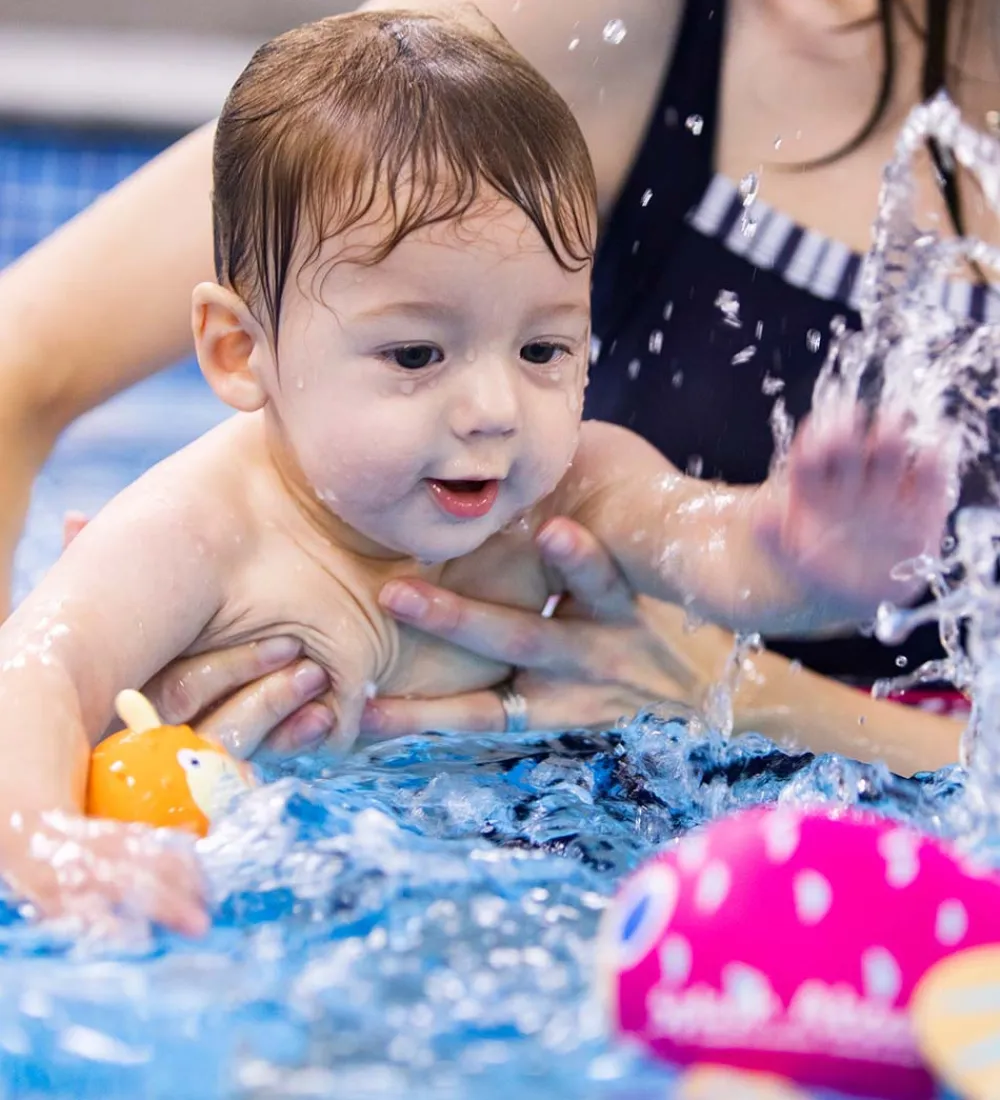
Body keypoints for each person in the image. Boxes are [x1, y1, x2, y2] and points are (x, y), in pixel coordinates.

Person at [0, 8, 958, 933]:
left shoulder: (570, 486)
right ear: (240, 352)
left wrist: (812, 557)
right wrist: (46, 843)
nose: (496, 408)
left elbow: (706, 547)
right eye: (416, 356)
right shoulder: (199, 528)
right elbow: (34, 674)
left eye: (545, 350)